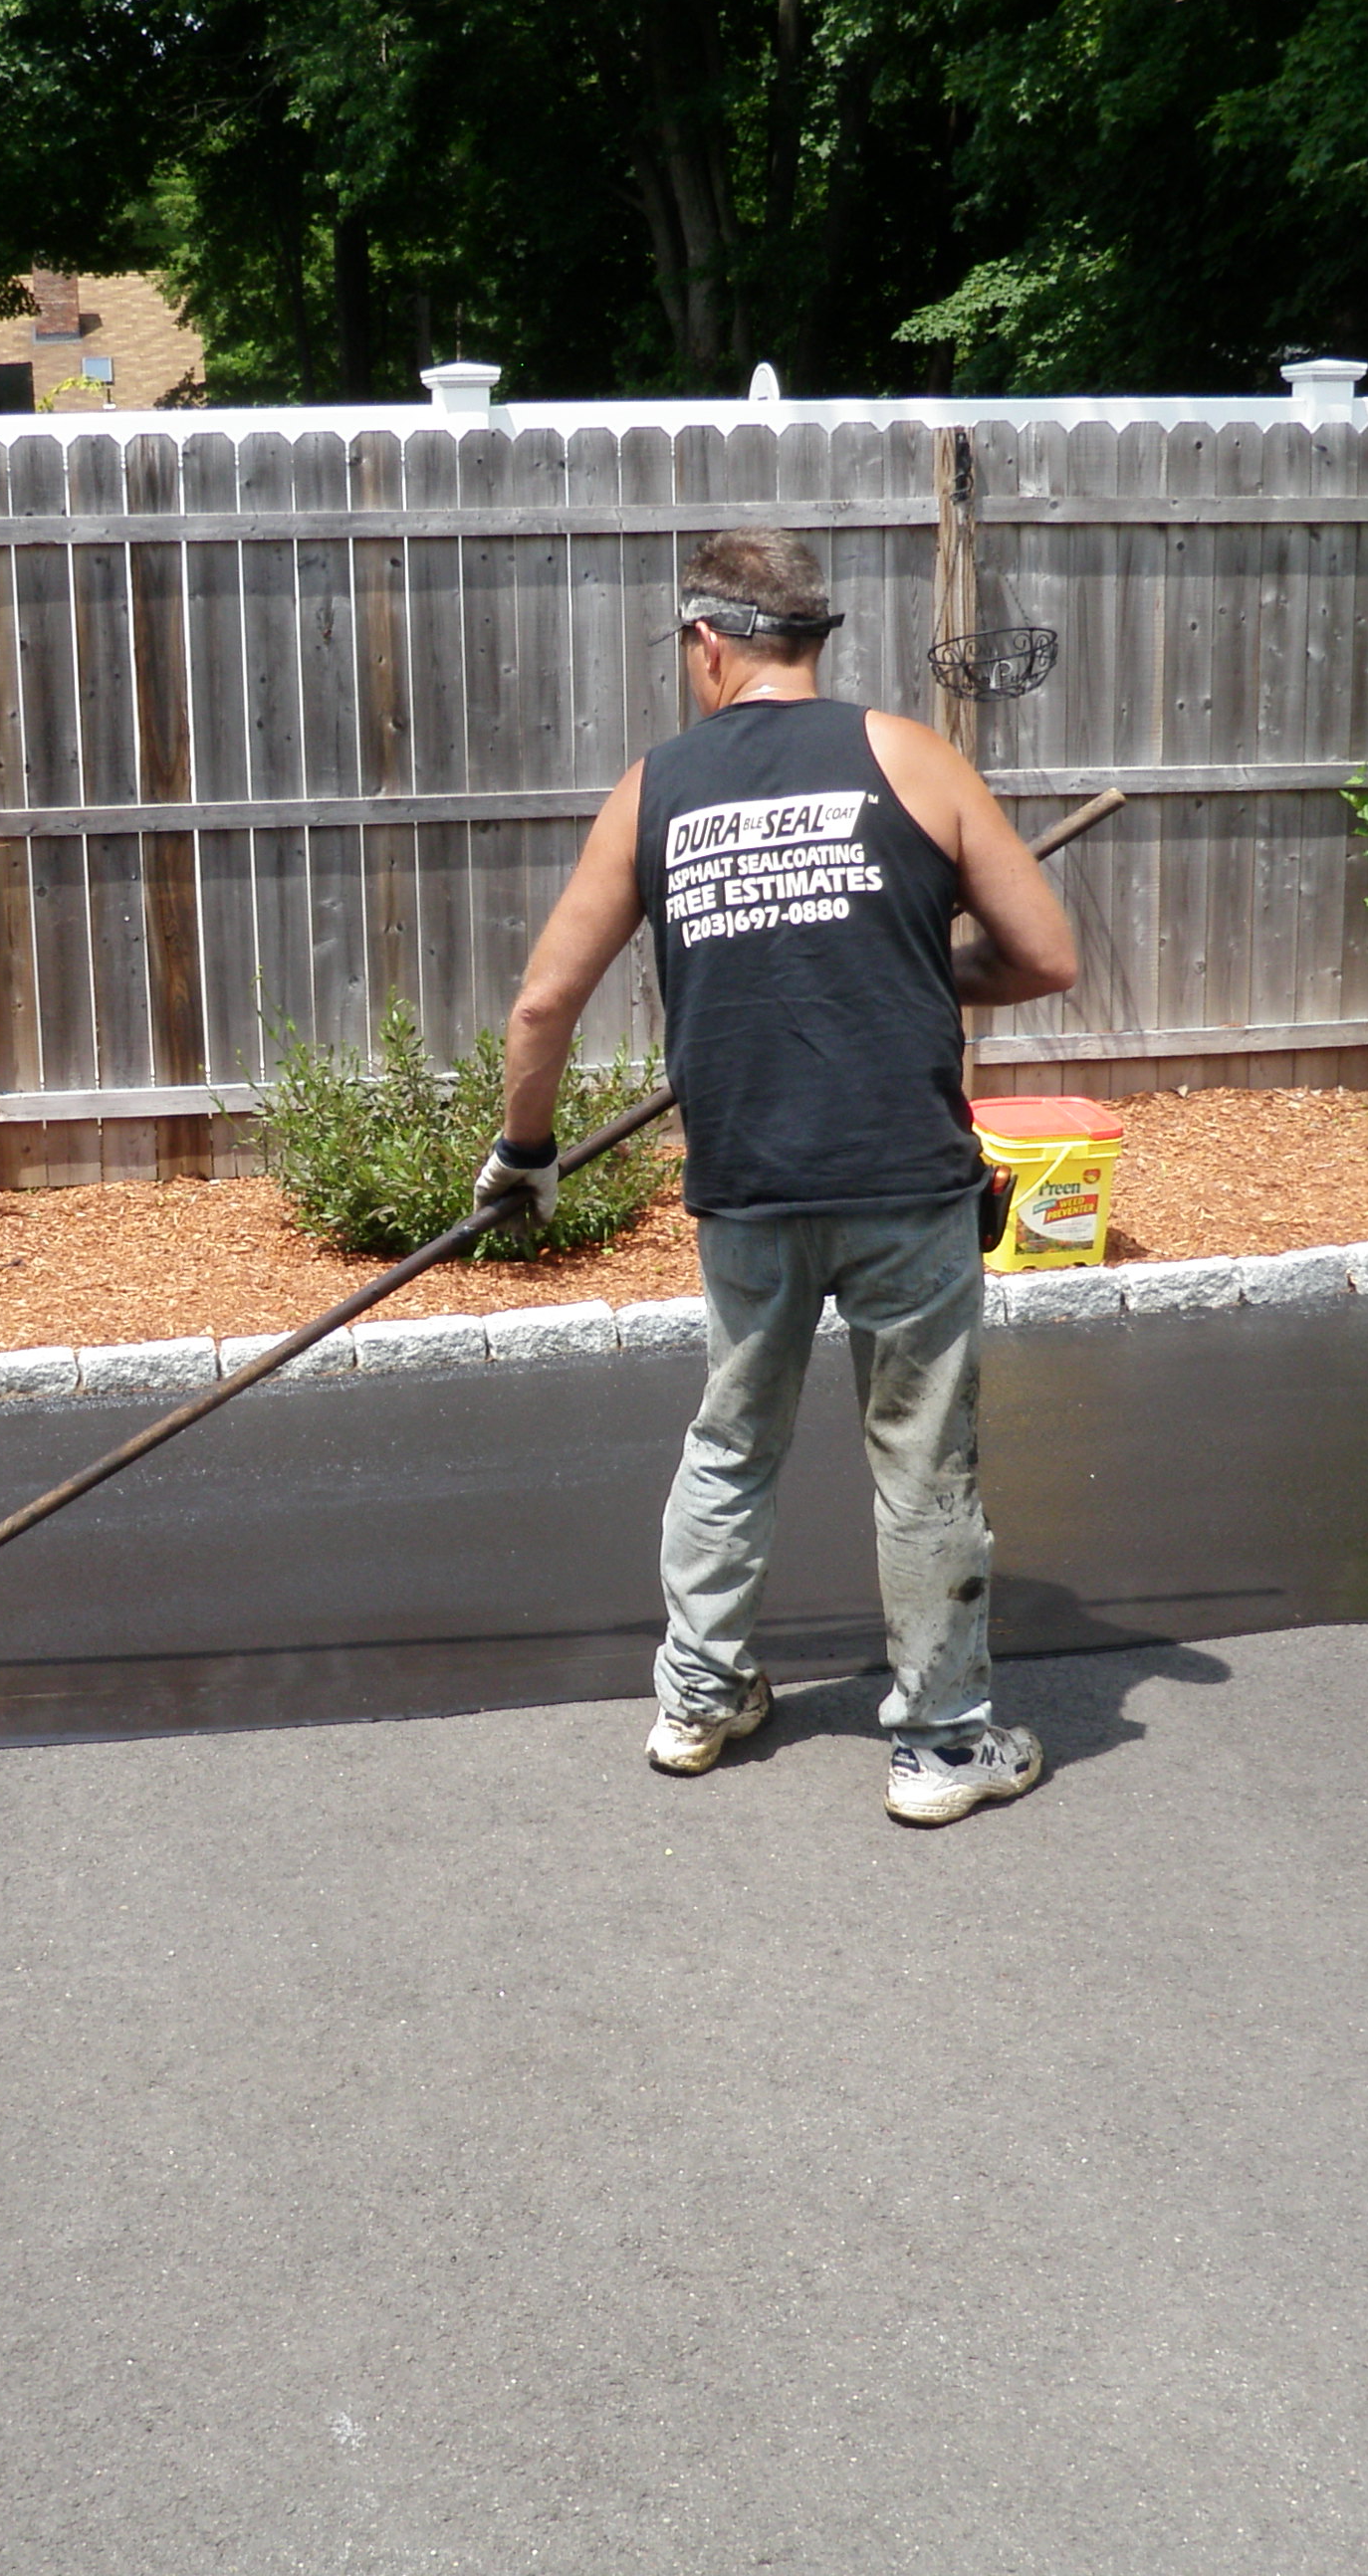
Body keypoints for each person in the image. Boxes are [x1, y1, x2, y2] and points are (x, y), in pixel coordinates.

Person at [476, 529, 1079, 1825]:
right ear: (812, 638)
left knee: (733, 1438)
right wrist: (932, 967)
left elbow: (541, 1008)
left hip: (748, 1186)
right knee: (922, 1460)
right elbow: (1042, 954)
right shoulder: (907, 754)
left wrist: (524, 1156)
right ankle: (940, 1743)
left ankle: (699, 1700)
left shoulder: (657, 789)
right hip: (904, 1185)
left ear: (707, 642)